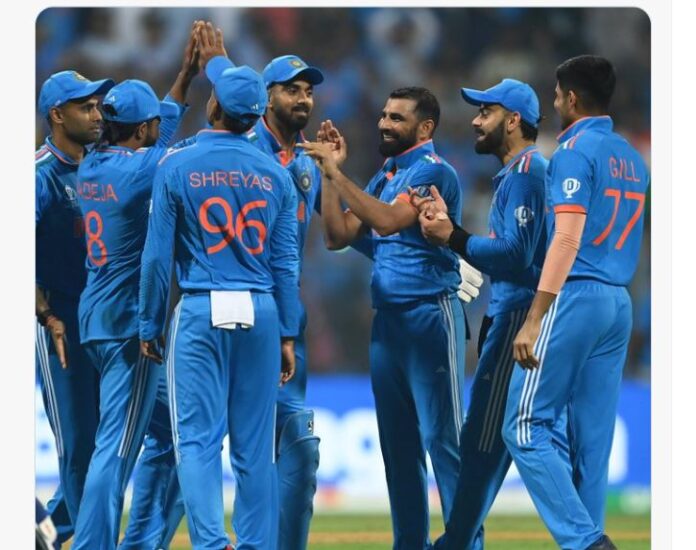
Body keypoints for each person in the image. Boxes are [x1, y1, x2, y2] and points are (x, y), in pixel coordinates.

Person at [138, 30, 300, 550]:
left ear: (213, 106)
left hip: (201, 308)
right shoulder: (276, 175)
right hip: (262, 311)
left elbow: (157, 257)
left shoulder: (176, 164)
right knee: (256, 448)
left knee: (197, 443)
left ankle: (211, 544)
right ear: (256, 116)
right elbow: (286, 265)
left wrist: (149, 322)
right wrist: (289, 333)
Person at [301, 88, 465, 550]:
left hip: (431, 317)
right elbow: (337, 235)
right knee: (398, 447)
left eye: (396, 118)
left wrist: (338, 173)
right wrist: (328, 177)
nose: (384, 124)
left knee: (443, 441)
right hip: (388, 324)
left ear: (425, 127)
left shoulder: (434, 171)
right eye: (384, 115)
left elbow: (389, 221)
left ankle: (465, 542)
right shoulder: (386, 174)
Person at [412, 78, 569, 550]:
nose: (476, 121)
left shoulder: (525, 173)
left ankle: (456, 543)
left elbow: (516, 255)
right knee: (491, 443)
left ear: (514, 120)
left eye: (487, 112)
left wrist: (454, 238)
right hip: (513, 314)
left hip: (518, 317)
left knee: (481, 443)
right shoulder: (521, 173)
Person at [502, 55, 649, 550]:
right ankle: (587, 539)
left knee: (525, 425)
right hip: (618, 302)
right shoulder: (632, 157)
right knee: (592, 444)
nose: (554, 101)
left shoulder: (573, 151)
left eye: (556, 93)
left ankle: (586, 542)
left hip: (576, 295)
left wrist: (534, 318)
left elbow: (566, 239)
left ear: (571, 98)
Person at [69, 23, 200, 550]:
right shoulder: (143, 171)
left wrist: (184, 78)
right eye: (152, 127)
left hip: (95, 318)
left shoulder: (94, 166)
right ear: (141, 129)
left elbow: (158, 139)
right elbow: (186, 150)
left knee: (178, 433)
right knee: (117, 447)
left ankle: (142, 541)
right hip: (130, 326)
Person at [35, 69, 114, 546]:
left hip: (104, 321)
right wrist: (45, 313)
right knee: (80, 442)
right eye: (86, 107)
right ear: (57, 115)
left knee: (105, 442)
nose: (97, 114)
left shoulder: (101, 165)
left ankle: (45, 533)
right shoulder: (40, 174)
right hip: (62, 324)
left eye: (98, 105)